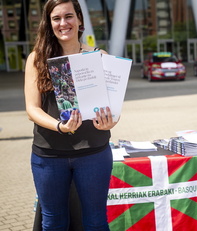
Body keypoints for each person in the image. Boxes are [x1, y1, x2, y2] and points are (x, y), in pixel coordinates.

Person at [24, 0, 117, 230]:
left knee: (96, 221)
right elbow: (32, 109)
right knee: (54, 221)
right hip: (49, 155)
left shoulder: (99, 56)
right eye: (56, 18)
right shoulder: (36, 59)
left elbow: (113, 109)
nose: (63, 23)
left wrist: (110, 122)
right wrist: (59, 126)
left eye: (68, 16)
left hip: (93, 153)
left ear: (79, 19)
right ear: (49, 23)